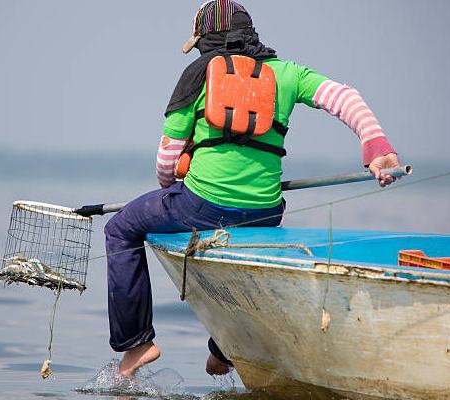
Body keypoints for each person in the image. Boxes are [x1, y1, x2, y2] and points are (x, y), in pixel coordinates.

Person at [104, 0, 400, 377]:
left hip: (201, 204)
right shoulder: (287, 73)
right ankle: (223, 351)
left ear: (207, 40)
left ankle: (136, 344)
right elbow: (346, 97)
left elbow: (166, 161)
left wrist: (171, 184)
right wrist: (377, 148)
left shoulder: (198, 74)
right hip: (265, 210)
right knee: (235, 259)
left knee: (120, 228)